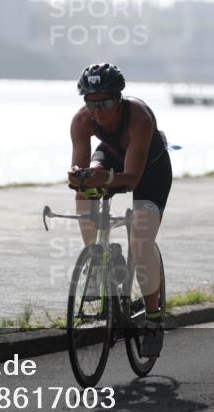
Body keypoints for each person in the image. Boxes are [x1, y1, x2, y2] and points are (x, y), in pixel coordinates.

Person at [67, 63, 172, 357]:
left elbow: (132, 178)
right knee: (84, 188)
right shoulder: (81, 121)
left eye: (107, 103)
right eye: (92, 103)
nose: (99, 111)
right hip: (111, 158)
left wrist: (108, 179)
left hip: (149, 170)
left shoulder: (139, 116)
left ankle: (153, 320)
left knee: (140, 244)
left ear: (119, 98)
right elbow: (82, 167)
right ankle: (97, 259)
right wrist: (80, 175)